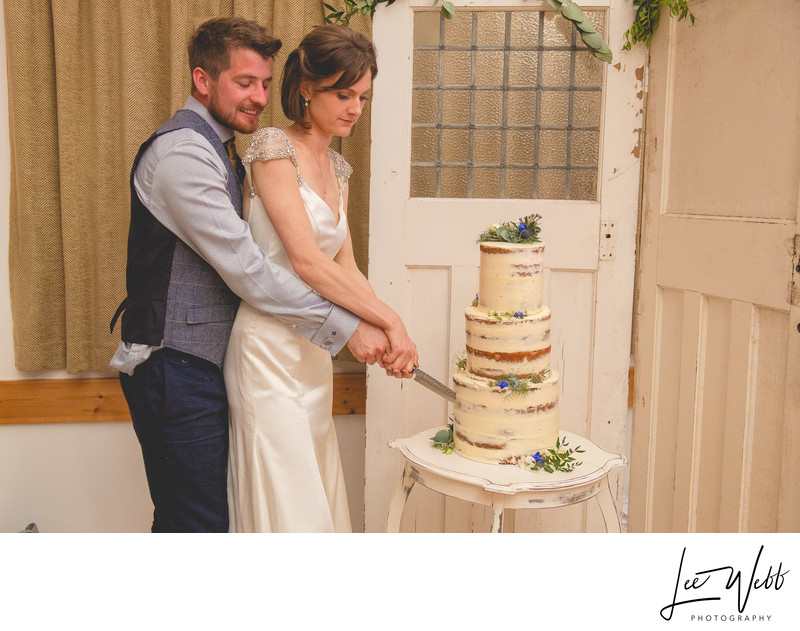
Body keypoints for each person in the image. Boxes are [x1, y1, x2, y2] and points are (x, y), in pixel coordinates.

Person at [109, 17, 413, 533]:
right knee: (199, 524)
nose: (258, 96)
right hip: (176, 362)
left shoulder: (227, 148)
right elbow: (252, 269)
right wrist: (356, 327)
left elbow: (343, 265)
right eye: (244, 83)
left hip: (230, 359)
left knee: (218, 517)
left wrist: (388, 325)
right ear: (202, 80)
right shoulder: (185, 152)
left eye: (264, 83)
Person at [224, 24, 417, 532]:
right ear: (306, 88)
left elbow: (345, 266)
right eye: (343, 93)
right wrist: (390, 319)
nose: (354, 107)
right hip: (265, 347)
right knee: (288, 502)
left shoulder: (338, 167)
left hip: (314, 351)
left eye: (362, 96)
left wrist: (387, 332)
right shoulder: (272, 147)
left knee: (315, 489)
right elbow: (306, 260)